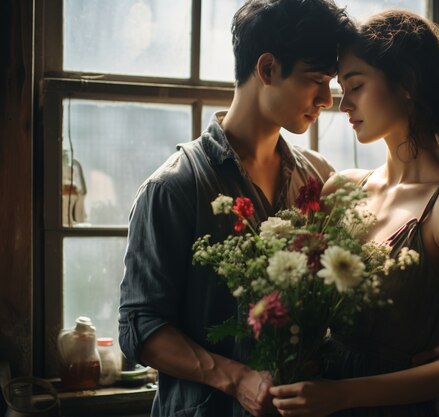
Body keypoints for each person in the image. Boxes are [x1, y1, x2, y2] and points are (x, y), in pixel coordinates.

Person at [117, 1, 353, 416]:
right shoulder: (174, 187)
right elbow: (141, 327)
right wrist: (236, 377)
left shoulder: (318, 177)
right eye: (315, 80)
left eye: (330, 82)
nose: (325, 99)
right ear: (266, 69)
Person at [270, 9, 439, 417]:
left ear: (406, 84)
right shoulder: (342, 189)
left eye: (355, 85)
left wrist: (342, 395)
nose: (343, 103)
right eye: (342, 87)